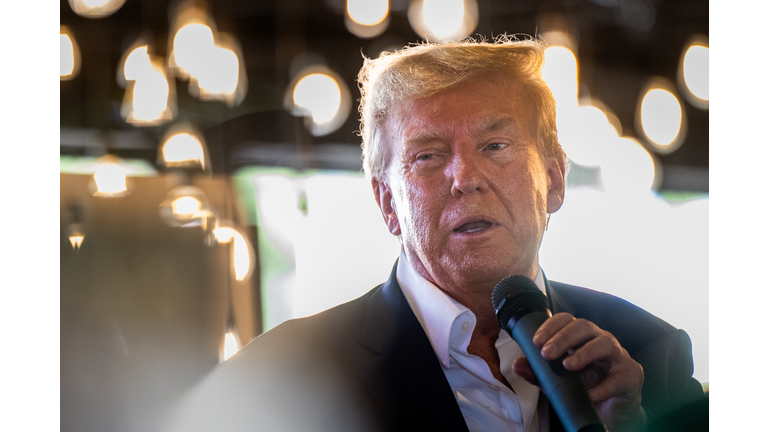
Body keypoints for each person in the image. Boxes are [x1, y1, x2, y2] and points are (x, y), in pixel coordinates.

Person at [165, 37, 703, 432]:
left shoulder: (652, 355)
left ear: (555, 180)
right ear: (387, 205)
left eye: (496, 146)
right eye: (428, 156)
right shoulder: (282, 378)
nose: (466, 178)